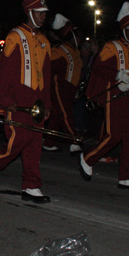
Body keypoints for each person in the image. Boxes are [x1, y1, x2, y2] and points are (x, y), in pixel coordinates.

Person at [0, 0, 52, 204]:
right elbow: (5, 73)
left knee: (34, 144)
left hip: (36, 102)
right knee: (18, 140)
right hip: (17, 100)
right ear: (30, 12)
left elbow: (46, 77)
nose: (43, 15)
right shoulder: (14, 37)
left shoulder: (45, 41)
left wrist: (47, 104)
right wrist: (5, 99)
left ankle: (31, 186)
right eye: (40, 12)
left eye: (45, 12)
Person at [80, 2, 129, 192]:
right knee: (114, 136)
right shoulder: (111, 47)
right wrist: (117, 75)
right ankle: (88, 158)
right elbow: (98, 70)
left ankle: (126, 176)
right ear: (123, 29)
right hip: (114, 97)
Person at [44, 14, 83, 155]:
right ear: (71, 36)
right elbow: (48, 70)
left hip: (70, 88)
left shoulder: (75, 52)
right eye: (78, 36)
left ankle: (49, 142)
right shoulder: (59, 51)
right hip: (59, 87)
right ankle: (73, 141)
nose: (81, 38)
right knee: (67, 114)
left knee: (57, 115)